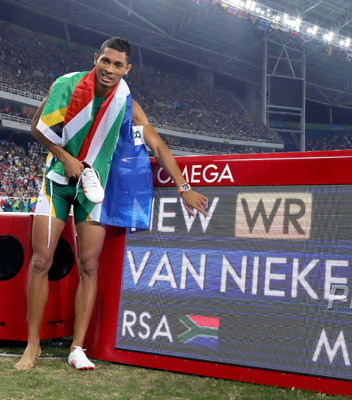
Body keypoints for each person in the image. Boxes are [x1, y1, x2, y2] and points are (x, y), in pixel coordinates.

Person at [15, 37, 209, 371]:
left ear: (126, 69)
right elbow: (36, 127)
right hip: (58, 181)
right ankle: (32, 346)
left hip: (93, 189)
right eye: (105, 61)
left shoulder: (127, 103)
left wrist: (184, 187)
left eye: (117, 64)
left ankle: (77, 348)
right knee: (42, 260)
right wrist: (65, 157)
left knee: (89, 265)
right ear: (96, 58)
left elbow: (158, 146)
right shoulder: (67, 85)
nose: (109, 69)